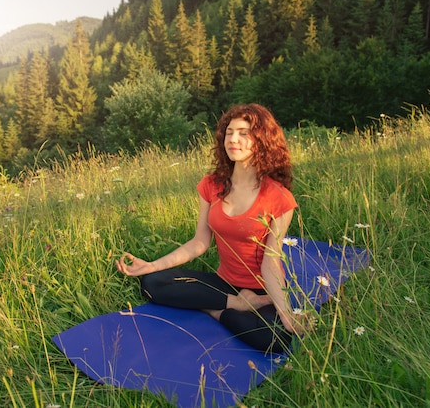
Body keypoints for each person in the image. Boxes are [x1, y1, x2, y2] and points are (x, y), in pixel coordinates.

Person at [115, 103, 311, 353]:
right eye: (229, 132)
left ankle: (219, 307)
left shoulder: (278, 197)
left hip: (263, 290)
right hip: (223, 283)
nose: (233, 139)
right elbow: (199, 243)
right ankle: (234, 304)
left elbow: (270, 262)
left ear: (262, 140)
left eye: (243, 133)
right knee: (152, 283)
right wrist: (151, 265)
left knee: (274, 339)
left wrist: (286, 314)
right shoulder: (211, 185)